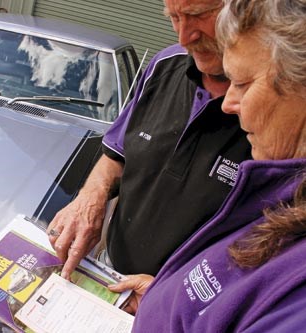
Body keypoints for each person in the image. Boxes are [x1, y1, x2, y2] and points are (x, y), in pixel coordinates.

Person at [120, 0, 306, 330]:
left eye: (244, 83)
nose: (229, 104)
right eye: (174, 18)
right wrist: (167, 296)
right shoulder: (283, 188)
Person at [47, 0, 252, 281]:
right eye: (175, 17)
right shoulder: (163, 66)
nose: (184, 37)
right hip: (111, 271)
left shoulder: (277, 105)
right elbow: (116, 156)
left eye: (197, 15)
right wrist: (90, 198)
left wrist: (168, 293)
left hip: (186, 307)